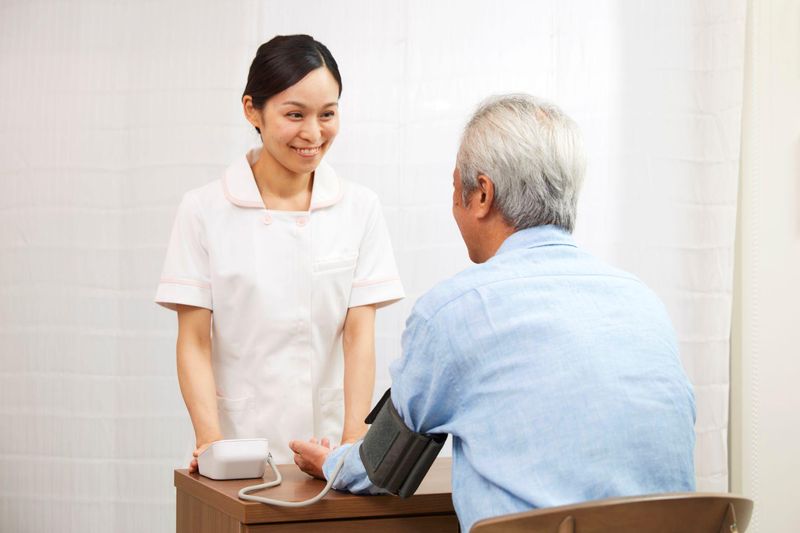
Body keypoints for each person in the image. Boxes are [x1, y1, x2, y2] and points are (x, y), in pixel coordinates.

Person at [289, 94, 696, 531]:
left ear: (482, 194)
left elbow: (381, 465)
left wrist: (330, 461)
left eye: (455, 188)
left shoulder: (455, 311)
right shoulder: (643, 301)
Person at [155, 35, 404, 469]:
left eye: (327, 114)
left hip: (328, 445)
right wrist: (211, 440)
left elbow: (358, 334)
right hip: (238, 443)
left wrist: (352, 442)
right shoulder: (204, 209)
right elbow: (193, 340)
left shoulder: (359, 207)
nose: (313, 133)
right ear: (252, 110)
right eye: (295, 114)